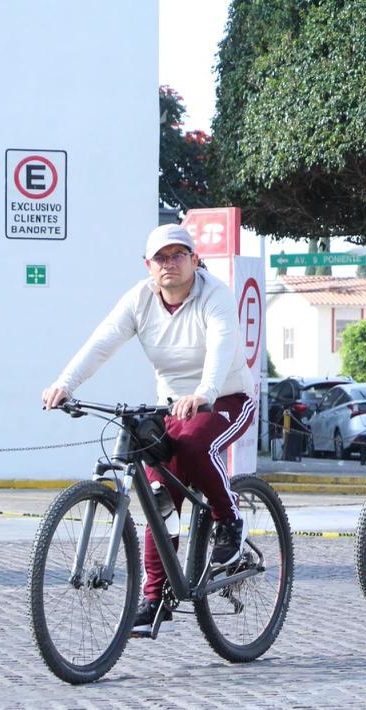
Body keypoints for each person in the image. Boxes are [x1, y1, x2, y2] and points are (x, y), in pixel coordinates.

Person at [41, 224, 256, 628]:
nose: (169, 264)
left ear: (194, 260)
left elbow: (222, 346)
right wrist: (64, 384)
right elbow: (102, 342)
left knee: (194, 446)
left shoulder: (215, 295)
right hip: (173, 407)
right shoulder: (139, 299)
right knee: (157, 495)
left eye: (178, 255)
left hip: (226, 397)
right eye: (161, 257)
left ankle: (229, 521)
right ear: (148, 265)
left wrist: (204, 392)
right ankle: (157, 597)